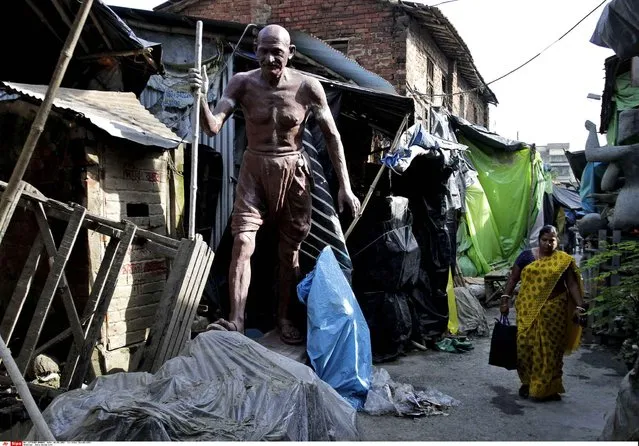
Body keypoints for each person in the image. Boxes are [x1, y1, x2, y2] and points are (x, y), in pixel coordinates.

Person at [189, 24, 360, 345]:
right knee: (242, 244)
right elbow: (212, 127)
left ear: (290, 53)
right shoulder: (241, 83)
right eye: (263, 51)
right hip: (254, 170)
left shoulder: (308, 87)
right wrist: (200, 97)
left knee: (290, 254)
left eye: (277, 52)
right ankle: (236, 320)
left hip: (293, 172)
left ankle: (284, 317)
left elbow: (332, 137)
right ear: (255, 49)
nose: (269, 59)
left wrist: (344, 187)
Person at [500, 225, 587, 402]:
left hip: (554, 311)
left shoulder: (563, 260)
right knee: (524, 346)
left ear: (557, 241)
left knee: (552, 350)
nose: (548, 244)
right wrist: (505, 298)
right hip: (527, 307)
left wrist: (580, 306)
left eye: (552, 240)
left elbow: (571, 285)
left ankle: (548, 387)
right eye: (545, 240)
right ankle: (527, 383)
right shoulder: (526, 256)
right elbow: (513, 278)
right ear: (539, 240)